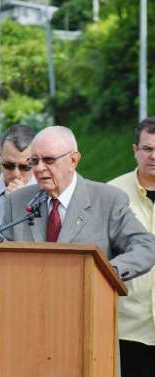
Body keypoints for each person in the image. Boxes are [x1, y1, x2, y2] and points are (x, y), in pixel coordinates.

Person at [3, 125, 155, 282]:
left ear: (73, 160)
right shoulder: (17, 202)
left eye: (49, 160)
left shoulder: (107, 200)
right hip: (27, 300)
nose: (40, 168)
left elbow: (146, 247)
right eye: (34, 161)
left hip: (86, 300)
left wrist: (107, 272)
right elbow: (1, 257)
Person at [108, 117, 155, 377]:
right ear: (135, 150)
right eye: (147, 149)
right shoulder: (112, 194)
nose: (153, 156)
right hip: (128, 327)